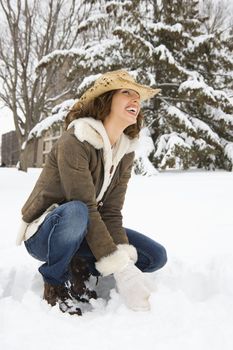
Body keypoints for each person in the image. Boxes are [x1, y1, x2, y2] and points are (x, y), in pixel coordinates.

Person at [16, 70, 167, 315]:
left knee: (155, 257)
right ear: (106, 99)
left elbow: (111, 212)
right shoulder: (75, 140)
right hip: (46, 233)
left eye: (138, 96)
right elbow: (84, 205)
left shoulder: (125, 152)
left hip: (85, 227)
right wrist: (121, 268)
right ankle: (55, 280)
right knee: (77, 211)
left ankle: (80, 264)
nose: (136, 100)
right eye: (126, 92)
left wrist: (125, 264)